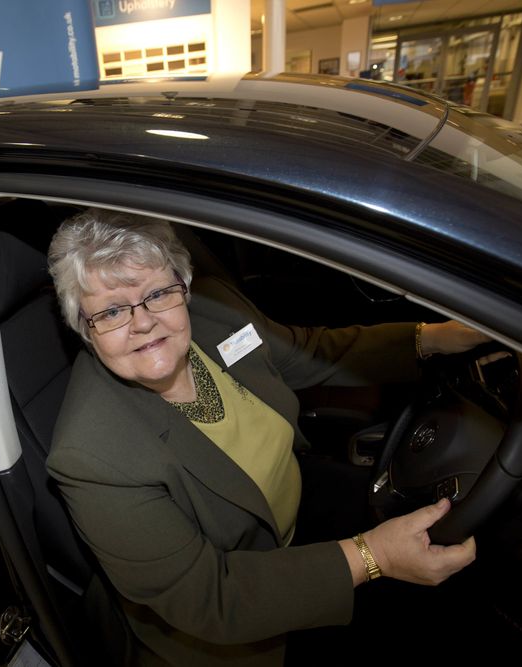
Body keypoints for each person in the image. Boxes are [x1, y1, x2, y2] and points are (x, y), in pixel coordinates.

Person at [45, 208, 482, 666]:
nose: (143, 322)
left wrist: (431, 338)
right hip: (235, 615)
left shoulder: (216, 313)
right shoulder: (91, 456)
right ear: (84, 327)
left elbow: (309, 352)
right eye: (112, 310)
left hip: (294, 505)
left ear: (184, 288)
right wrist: (372, 556)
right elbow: (211, 597)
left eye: (158, 293)